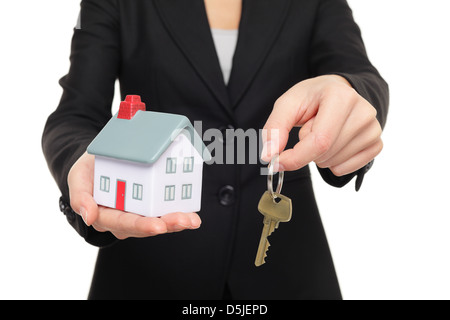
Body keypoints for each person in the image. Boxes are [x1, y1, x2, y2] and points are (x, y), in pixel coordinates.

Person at [42, 0, 388, 299]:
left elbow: (359, 76)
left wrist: (348, 95)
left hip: (288, 271)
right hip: (148, 269)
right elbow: (76, 114)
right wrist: (81, 161)